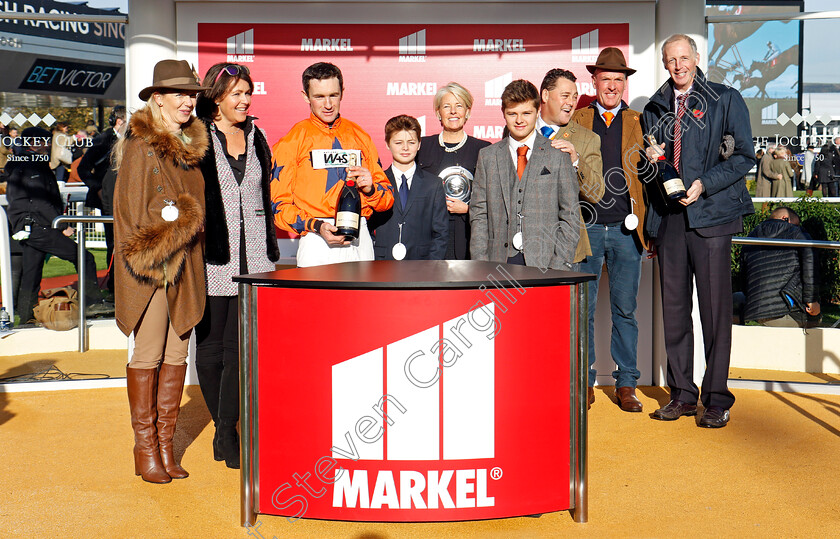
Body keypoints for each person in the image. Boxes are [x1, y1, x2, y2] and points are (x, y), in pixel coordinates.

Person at [643, 34, 756, 428]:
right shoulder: (654, 107)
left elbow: (744, 156)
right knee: (674, 312)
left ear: (696, 58)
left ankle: (716, 398)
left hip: (712, 218)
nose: (678, 66)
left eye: (684, 58)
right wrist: (654, 166)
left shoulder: (725, 98)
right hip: (670, 220)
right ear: (664, 63)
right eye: (670, 59)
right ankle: (682, 395)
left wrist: (703, 183)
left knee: (714, 312)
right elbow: (650, 172)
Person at [112, 59, 209, 483]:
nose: (189, 101)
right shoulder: (141, 146)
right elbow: (129, 216)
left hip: (185, 265)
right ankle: (144, 448)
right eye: (180, 94)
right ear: (158, 99)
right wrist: (184, 222)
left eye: (192, 94)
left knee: (176, 355)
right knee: (149, 354)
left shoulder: (188, 147)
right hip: (152, 269)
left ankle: (166, 447)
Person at [195, 63, 280, 469]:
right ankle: (224, 430)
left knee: (239, 349)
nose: (245, 100)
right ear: (215, 97)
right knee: (210, 349)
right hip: (213, 254)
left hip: (255, 256)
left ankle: (227, 429)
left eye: (248, 93)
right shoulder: (195, 136)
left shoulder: (256, 135)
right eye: (236, 94)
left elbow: (264, 194)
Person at [571, 48, 648, 412]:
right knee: (582, 312)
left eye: (619, 80)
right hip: (585, 229)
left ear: (624, 84)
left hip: (625, 229)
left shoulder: (639, 121)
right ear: (595, 81)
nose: (613, 86)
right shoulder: (578, 119)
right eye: (606, 79)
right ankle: (583, 381)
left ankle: (627, 384)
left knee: (625, 310)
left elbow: (649, 178)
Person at [269, 62, 394, 267]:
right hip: (316, 240)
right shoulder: (292, 141)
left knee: (360, 300)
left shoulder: (360, 136)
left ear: (342, 93)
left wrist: (371, 189)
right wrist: (316, 226)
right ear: (305, 96)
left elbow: (386, 200)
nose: (328, 104)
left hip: (359, 239)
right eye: (319, 96)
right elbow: (279, 207)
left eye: (333, 95)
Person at [469, 79, 580, 269]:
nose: (519, 120)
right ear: (503, 114)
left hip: (546, 263)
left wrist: (558, 264)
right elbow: (479, 214)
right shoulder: (487, 156)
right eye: (512, 114)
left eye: (526, 113)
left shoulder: (557, 156)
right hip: (497, 263)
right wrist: (481, 263)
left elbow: (570, 215)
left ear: (538, 112)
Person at [5, 127, 108, 326]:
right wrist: (63, 225)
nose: (48, 145)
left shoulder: (23, 164)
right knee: (84, 257)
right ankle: (92, 303)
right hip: (39, 226)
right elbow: (39, 202)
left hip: (28, 226)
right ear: (34, 143)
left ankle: (26, 316)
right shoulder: (32, 166)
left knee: (31, 273)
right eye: (44, 141)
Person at [537, 68, 605, 266]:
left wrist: (576, 161)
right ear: (545, 95)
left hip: (565, 251)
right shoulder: (518, 128)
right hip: (524, 248)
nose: (571, 102)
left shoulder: (587, 138)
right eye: (565, 96)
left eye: (574, 97)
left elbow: (596, 193)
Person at [417, 83, 491, 260]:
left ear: (467, 111)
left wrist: (468, 208)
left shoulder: (484, 150)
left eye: (459, 106)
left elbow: (495, 201)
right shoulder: (421, 147)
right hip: (428, 237)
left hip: (467, 236)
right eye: (446, 106)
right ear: (438, 112)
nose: (453, 111)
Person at [369, 115, 448, 260]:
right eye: (398, 142)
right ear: (387, 144)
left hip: (421, 266)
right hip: (382, 265)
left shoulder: (433, 184)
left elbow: (441, 233)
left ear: (419, 144)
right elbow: (366, 227)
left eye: (411, 142)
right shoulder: (376, 182)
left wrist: (430, 267)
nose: (405, 148)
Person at [742, 207, 819, 327]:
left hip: (755, 309)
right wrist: (812, 299)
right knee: (816, 321)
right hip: (786, 309)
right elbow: (810, 266)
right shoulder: (797, 233)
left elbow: (744, 274)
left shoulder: (751, 236)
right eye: (796, 224)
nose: (797, 227)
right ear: (785, 218)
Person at [79, 105, 127, 298]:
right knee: (113, 242)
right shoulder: (102, 140)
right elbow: (83, 169)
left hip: (127, 199)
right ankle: (115, 286)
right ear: (119, 121)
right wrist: (98, 188)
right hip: (108, 199)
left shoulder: (132, 138)